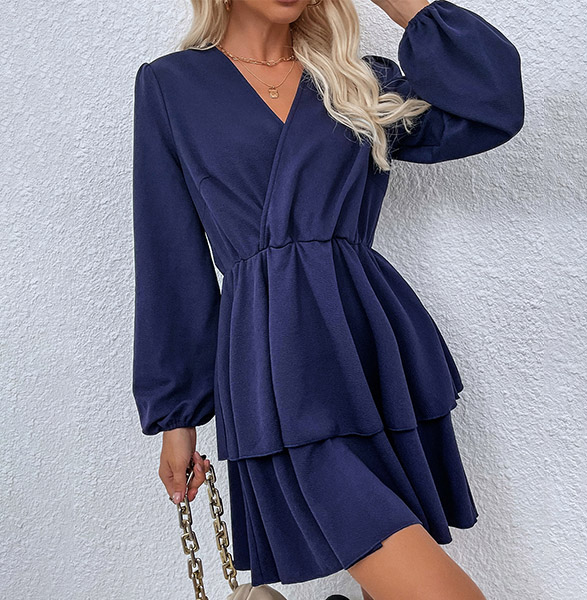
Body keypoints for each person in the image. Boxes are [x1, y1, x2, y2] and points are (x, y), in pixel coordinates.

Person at [131, 1, 524, 598]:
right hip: (275, 372)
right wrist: (177, 417)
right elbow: (170, 256)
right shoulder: (171, 86)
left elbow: (492, 102)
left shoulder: (356, 79)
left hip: (372, 353)